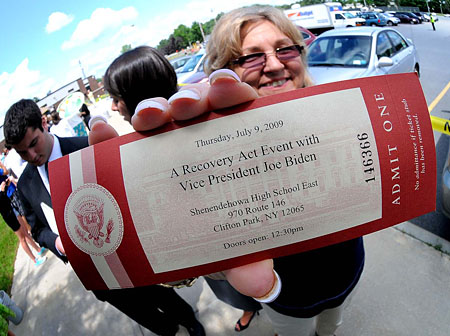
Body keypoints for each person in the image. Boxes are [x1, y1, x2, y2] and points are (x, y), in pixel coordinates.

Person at [92, 6, 364, 336]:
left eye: (284, 48)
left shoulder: (335, 114)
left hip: (348, 274)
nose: (275, 64)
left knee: (332, 328)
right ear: (223, 74)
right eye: (251, 57)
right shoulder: (208, 151)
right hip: (286, 300)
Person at [3, 99, 205, 336]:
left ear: (44, 123)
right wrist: (55, 242)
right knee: (136, 310)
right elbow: (36, 230)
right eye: (22, 152)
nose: (32, 155)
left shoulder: (87, 147)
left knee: (159, 293)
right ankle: (167, 329)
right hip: (92, 269)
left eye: (33, 144)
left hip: (126, 251)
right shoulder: (25, 184)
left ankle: (188, 319)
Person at [103, 45, 263, 332]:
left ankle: (254, 308)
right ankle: (251, 305)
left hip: (236, 246)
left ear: (134, 93)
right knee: (230, 288)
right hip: (214, 258)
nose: (114, 107)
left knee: (247, 288)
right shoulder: (134, 147)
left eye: (116, 98)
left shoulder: (202, 121)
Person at [0, 162, 46, 266]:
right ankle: (34, 260)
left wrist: (4, 188)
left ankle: (38, 249)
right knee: (22, 238)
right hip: (8, 215)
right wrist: (2, 191)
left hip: (12, 210)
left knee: (25, 232)